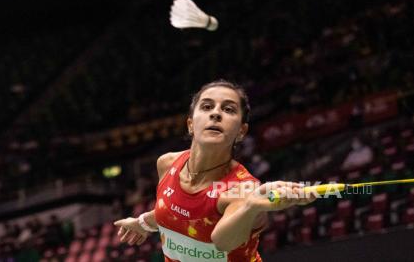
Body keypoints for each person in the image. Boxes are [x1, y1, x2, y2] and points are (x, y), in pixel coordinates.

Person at [114, 80, 315, 261]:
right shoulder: (167, 163)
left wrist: (251, 206)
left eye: (228, 109)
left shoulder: (242, 189)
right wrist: (142, 223)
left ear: (241, 132)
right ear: (191, 124)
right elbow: (178, 211)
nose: (216, 113)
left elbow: (222, 241)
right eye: (207, 106)